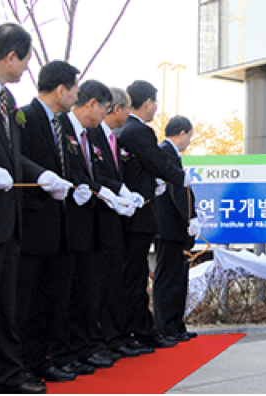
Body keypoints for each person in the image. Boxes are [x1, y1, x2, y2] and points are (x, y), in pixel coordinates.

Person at [0, 23, 70, 394]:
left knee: (2, 307)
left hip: (9, 222)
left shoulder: (6, 101)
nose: (27, 68)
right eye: (25, 60)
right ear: (11, 56)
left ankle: (4, 374)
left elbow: (12, 159)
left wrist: (42, 176)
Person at [18, 60, 81, 382]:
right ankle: (20, 366)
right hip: (31, 225)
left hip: (57, 226)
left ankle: (40, 360)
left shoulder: (60, 124)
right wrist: (43, 180)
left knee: (48, 300)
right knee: (26, 301)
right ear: (61, 89)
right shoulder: (24, 117)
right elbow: (16, 161)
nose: (76, 96)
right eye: (75, 89)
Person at [51, 80, 120, 374]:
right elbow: (70, 172)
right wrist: (94, 189)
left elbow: (96, 172)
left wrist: (115, 192)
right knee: (65, 294)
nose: (103, 117)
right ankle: (64, 351)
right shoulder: (62, 128)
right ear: (92, 104)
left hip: (90, 222)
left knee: (85, 292)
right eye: (103, 109)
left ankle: (81, 348)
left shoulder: (87, 135)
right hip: (66, 223)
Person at [117, 80, 187, 352]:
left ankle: (140, 331)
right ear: (146, 103)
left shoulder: (124, 130)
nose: (156, 109)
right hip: (138, 214)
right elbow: (158, 164)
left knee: (134, 276)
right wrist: (183, 178)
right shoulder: (139, 132)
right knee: (134, 277)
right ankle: (139, 332)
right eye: (155, 103)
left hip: (132, 213)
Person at [87, 87, 143, 358]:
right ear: (116, 109)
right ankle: (101, 338)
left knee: (112, 281)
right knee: (99, 283)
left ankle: (113, 336)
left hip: (114, 222)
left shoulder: (115, 139)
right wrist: (116, 189)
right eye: (127, 108)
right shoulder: (94, 134)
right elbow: (95, 172)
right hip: (96, 220)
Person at [153, 115, 201, 341]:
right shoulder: (165, 152)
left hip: (175, 229)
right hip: (168, 227)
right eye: (189, 135)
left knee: (178, 277)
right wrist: (190, 218)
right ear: (182, 133)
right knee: (168, 279)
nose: (189, 141)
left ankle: (176, 325)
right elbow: (176, 190)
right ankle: (166, 327)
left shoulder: (172, 154)